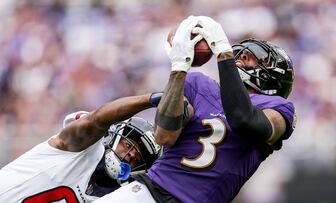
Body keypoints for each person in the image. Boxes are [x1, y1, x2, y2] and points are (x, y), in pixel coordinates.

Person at [93, 15, 296, 203]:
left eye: (254, 57)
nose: (241, 57)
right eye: (241, 53)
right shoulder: (200, 85)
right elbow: (164, 135)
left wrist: (223, 53)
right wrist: (179, 68)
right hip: (151, 191)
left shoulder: (279, 108)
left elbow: (242, 119)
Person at [0, 92, 165, 202]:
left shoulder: (118, 196)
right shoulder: (84, 148)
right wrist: (151, 99)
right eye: (128, 144)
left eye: (138, 158)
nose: (130, 155)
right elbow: (97, 119)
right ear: (115, 134)